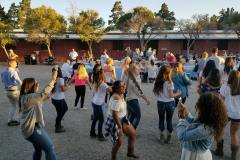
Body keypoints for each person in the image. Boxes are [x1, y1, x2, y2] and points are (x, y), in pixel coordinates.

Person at [19, 69, 58, 160]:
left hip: (34, 127)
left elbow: (34, 105)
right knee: (49, 148)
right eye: (36, 84)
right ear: (30, 86)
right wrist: (53, 79)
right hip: (32, 128)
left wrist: (43, 100)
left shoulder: (29, 97)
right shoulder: (28, 98)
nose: (38, 85)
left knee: (39, 149)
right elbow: (43, 92)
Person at [176, 93, 228, 160]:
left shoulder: (206, 129)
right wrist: (186, 112)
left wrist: (181, 118)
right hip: (194, 153)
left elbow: (182, 137)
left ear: (206, 110)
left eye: (199, 107)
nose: (198, 109)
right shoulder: (209, 121)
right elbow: (194, 121)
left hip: (195, 156)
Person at [105, 81, 139, 159]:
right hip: (116, 121)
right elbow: (114, 114)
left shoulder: (121, 94)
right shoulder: (116, 97)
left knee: (133, 134)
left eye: (124, 85)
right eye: (122, 86)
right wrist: (120, 127)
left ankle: (130, 152)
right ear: (116, 89)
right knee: (118, 143)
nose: (124, 87)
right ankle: (113, 157)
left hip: (123, 118)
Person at [153, 65, 182, 144]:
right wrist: (178, 93)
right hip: (170, 103)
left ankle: (161, 137)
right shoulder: (169, 82)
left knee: (161, 119)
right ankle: (169, 138)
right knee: (169, 119)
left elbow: (154, 91)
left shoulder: (157, 81)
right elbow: (171, 95)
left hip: (160, 102)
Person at [219, 70, 240, 160]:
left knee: (220, 130)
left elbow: (220, 100)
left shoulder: (225, 87)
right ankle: (234, 156)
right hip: (238, 114)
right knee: (234, 133)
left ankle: (219, 150)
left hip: (226, 112)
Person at [126, 63, 150, 133]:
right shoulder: (133, 81)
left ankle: (128, 130)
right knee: (137, 116)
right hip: (133, 100)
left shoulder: (130, 78)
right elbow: (139, 91)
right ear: (133, 71)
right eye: (136, 69)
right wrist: (146, 99)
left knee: (132, 115)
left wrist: (138, 75)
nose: (138, 70)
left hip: (129, 100)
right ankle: (132, 131)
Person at [90, 70, 112, 141]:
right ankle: (100, 135)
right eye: (104, 74)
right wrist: (114, 84)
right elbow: (110, 90)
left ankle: (92, 132)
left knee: (96, 118)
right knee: (101, 119)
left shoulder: (98, 82)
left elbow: (108, 87)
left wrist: (112, 85)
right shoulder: (102, 84)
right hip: (98, 103)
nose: (105, 75)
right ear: (102, 76)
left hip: (94, 102)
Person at [1, 59, 22, 126]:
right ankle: (15, 119)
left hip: (7, 91)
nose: (16, 64)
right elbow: (19, 82)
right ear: (12, 64)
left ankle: (9, 120)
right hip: (14, 91)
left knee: (13, 105)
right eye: (15, 63)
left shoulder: (3, 71)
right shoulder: (14, 72)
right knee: (19, 105)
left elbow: (3, 81)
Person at [51, 67, 70, 133]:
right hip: (58, 99)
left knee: (65, 108)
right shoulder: (60, 79)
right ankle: (57, 126)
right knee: (60, 113)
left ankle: (58, 122)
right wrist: (67, 87)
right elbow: (63, 89)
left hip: (55, 98)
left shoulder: (54, 79)